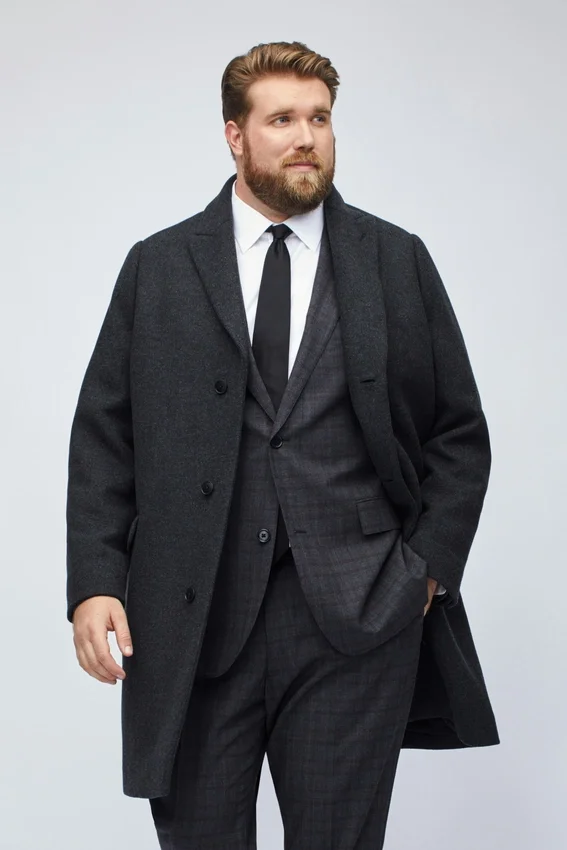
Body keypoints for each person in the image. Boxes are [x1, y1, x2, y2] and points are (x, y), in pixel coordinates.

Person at [66, 40, 499, 850]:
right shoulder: (159, 267)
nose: (306, 138)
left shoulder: (394, 261)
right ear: (235, 135)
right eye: (282, 120)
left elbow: (457, 433)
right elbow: (104, 438)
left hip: (356, 618)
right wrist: (93, 584)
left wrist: (424, 573)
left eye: (320, 119)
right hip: (192, 618)